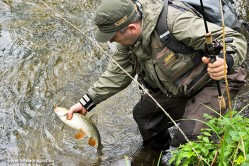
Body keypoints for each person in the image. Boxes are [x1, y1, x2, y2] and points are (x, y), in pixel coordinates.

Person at [67, 0, 247, 164]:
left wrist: (226, 61)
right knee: (145, 116)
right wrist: (86, 102)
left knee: (188, 135)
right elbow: (116, 73)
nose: (111, 41)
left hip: (216, 80)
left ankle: (186, 157)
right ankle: (154, 155)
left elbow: (235, 40)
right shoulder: (128, 41)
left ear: (131, 28)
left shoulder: (176, 23)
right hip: (178, 86)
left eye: (112, 37)